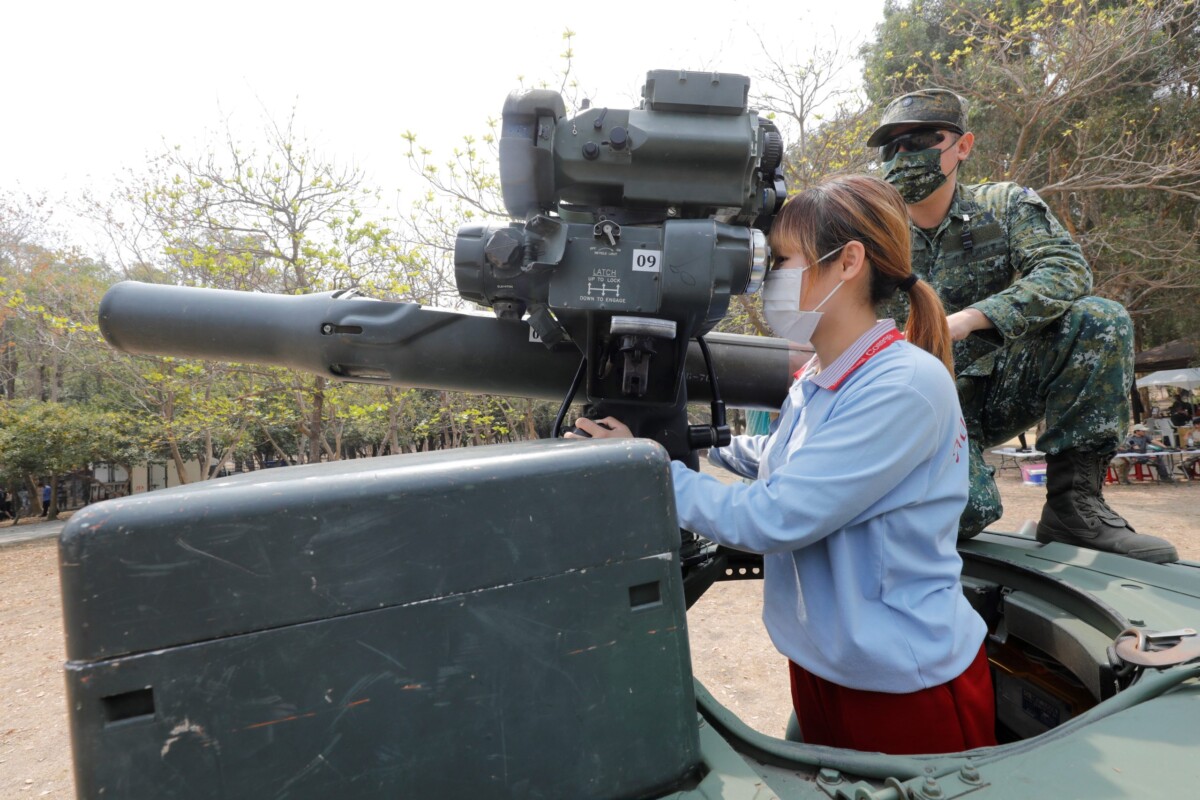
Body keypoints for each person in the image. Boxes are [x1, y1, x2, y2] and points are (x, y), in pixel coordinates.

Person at [571, 175, 996, 755]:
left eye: (781, 260)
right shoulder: (821, 376)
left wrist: (645, 473)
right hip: (827, 663)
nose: (769, 279)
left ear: (848, 262)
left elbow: (776, 516)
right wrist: (675, 437)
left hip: (903, 680)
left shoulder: (902, 385)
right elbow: (782, 460)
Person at [867, 87, 1176, 563]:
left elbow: (1065, 270)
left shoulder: (1003, 204)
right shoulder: (870, 232)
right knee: (964, 515)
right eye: (892, 147)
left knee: (1098, 318)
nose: (904, 155)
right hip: (914, 404)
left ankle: (1073, 507)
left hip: (995, 389)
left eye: (922, 139)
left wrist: (969, 320)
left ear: (963, 146)